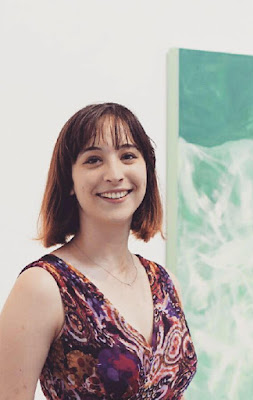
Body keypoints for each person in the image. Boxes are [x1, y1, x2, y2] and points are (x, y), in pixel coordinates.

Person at [0, 103, 197, 399]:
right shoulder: (43, 287)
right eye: (93, 160)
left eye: (128, 156)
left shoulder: (166, 283)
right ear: (69, 180)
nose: (114, 174)